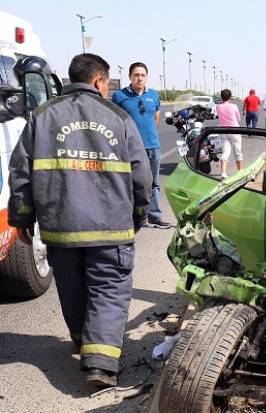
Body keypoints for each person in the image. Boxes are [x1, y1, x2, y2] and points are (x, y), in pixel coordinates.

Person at [8, 53, 152, 387]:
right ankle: (100, 363)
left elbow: (21, 171)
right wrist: (140, 213)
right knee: (109, 289)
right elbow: (140, 173)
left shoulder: (43, 116)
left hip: (61, 225)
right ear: (100, 81)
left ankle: (82, 339)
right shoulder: (117, 117)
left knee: (71, 287)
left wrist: (22, 217)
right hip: (110, 225)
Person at [112, 62, 170, 229]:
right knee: (129, 183)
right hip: (129, 148)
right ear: (130, 76)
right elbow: (115, 121)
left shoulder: (154, 95)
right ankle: (130, 217)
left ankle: (154, 216)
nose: (139, 78)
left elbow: (156, 119)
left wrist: (147, 136)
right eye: (136, 75)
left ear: (146, 77)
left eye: (142, 75)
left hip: (152, 146)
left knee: (152, 183)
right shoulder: (119, 96)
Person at [216, 88, 242, 178]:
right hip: (234, 129)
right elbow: (238, 118)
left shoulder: (218, 106)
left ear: (221, 97)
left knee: (225, 151)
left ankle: (223, 172)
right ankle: (239, 171)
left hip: (223, 130)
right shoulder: (234, 106)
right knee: (237, 150)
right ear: (230, 97)